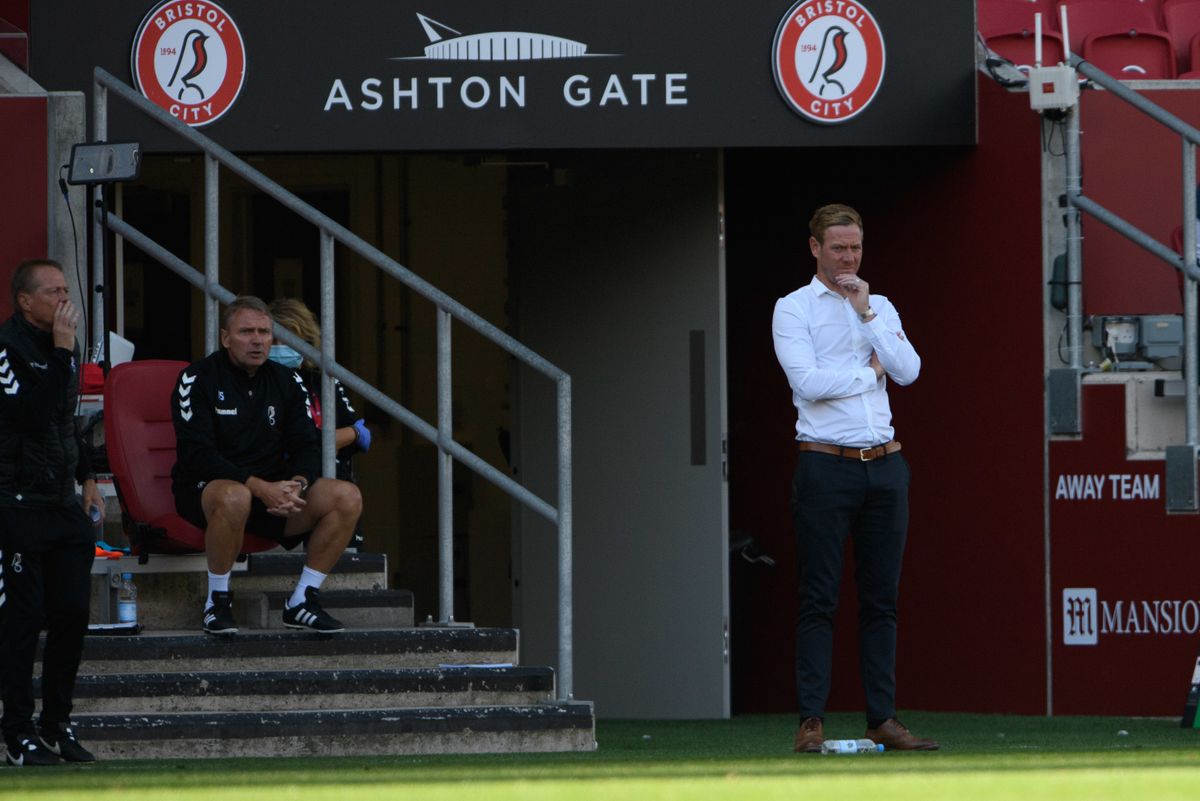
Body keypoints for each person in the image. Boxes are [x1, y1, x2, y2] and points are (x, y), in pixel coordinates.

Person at [771, 204, 937, 753]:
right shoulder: (792, 308)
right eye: (838, 247)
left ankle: (882, 718)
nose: (848, 257)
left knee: (881, 599)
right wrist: (869, 374)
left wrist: (866, 315)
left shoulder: (879, 306)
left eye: (856, 248)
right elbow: (809, 383)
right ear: (815, 247)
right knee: (818, 596)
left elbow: (910, 371)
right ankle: (811, 721)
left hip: (885, 465)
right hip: (824, 463)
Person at [171, 296, 362, 636]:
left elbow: (307, 443)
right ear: (226, 337)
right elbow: (198, 455)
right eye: (246, 332)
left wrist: (299, 484)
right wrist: (259, 487)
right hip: (208, 492)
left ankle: (302, 601)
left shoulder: (286, 380)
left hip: (273, 498)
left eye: (264, 332)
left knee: (346, 496)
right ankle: (217, 601)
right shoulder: (197, 378)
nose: (258, 340)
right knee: (236, 497)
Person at [0, 259, 100, 765]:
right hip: (16, 503)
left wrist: (87, 477)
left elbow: (65, 423)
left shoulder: (65, 350)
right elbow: (33, 417)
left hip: (62, 502)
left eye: (66, 287)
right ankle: (16, 731)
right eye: (54, 289)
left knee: (73, 613)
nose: (65, 297)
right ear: (25, 301)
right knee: (21, 621)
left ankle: (56, 722)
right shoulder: (6, 349)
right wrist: (61, 353)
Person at [267, 298, 370, 548]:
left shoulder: (322, 379)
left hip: (335, 485)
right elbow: (284, 441)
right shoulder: (262, 383)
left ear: (306, 338)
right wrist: (335, 437)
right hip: (288, 495)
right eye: (275, 339)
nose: (281, 347)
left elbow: (363, 434)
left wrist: (347, 435)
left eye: (289, 338)